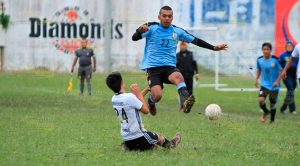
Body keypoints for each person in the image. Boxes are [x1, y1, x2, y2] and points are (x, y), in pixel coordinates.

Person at [132, 6, 227, 115]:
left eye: (169, 16)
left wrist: (213, 47)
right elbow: (134, 38)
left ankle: (187, 100)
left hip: (169, 67)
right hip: (153, 68)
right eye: (164, 16)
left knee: (178, 76)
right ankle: (151, 101)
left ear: (172, 18)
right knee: (157, 96)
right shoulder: (151, 27)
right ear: (159, 17)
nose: (167, 18)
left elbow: (195, 40)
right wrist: (139, 31)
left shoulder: (178, 31)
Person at [105, 71, 181, 151]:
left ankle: (131, 147)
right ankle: (171, 144)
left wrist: (145, 90)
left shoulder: (114, 99)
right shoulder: (129, 97)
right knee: (158, 137)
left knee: (149, 145)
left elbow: (134, 101)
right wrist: (138, 93)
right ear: (122, 82)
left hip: (127, 137)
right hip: (138, 136)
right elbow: (146, 110)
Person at [255, 42, 282, 124]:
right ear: (262, 50)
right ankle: (266, 112)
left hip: (274, 86)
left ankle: (272, 121)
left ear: (270, 50)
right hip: (264, 85)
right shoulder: (259, 60)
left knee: (272, 104)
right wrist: (256, 80)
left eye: (267, 49)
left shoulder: (275, 59)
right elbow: (259, 70)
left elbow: (282, 71)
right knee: (260, 100)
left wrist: (277, 81)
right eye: (264, 49)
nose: (265, 51)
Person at [176, 42, 199, 112]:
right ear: (180, 47)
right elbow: (175, 66)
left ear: (186, 46)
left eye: (184, 45)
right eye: (181, 46)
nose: (183, 47)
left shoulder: (191, 54)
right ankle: (182, 107)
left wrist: (197, 73)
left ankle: (188, 106)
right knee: (182, 91)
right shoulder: (177, 55)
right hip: (181, 77)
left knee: (190, 92)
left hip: (189, 76)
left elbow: (194, 64)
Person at [279, 42, 298, 114]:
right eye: (288, 46)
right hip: (287, 75)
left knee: (290, 92)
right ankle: (292, 109)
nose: (289, 47)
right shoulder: (282, 56)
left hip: (294, 75)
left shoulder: (296, 55)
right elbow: (280, 66)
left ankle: (283, 107)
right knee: (290, 89)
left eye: (290, 46)